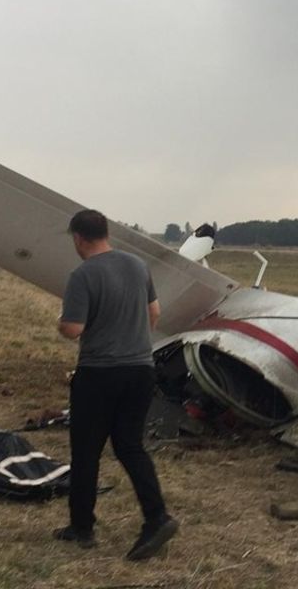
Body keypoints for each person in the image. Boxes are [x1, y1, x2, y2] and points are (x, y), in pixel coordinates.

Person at [56, 208, 178, 561]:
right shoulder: (138, 266)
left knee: (86, 451)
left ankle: (82, 528)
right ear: (106, 233)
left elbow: (73, 329)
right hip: (141, 370)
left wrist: (61, 323)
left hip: (99, 374)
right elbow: (155, 313)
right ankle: (156, 518)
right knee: (130, 447)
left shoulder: (82, 275)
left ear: (78, 238)